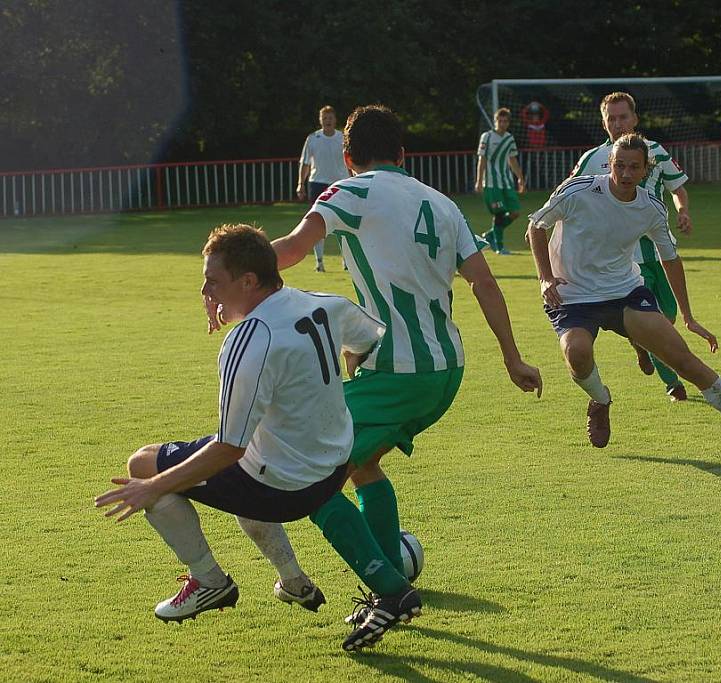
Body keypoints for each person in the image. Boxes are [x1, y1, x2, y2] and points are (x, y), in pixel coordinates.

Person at [207, 105, 542, 637]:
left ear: (346, 156)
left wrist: (227, 282)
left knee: (309, 479)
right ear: (404, 154)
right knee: (360, 466)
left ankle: (390, 588)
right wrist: (512, 356)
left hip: (397, 370)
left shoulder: (350, 191)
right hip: (445, 368)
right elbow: (484, 282)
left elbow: (291, 249)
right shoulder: (442, 203)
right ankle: (388, 571)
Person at [96, 224, 421, 652]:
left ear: (248, 281)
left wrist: (152, 487)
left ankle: (210, 582)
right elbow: (367, 337)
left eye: (213, 280)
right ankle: (305, 581)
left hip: (280, 487)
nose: (205, 289)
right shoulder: (320, 303)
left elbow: (230, 447)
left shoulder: (249, 340)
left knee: (144, 464)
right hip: (335, 464)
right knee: (246, 457)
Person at [527, 133, 721, 452]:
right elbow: (536, 228)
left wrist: (688, 317)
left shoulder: (650, 208)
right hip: (573, 296)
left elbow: (670, 258)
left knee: (685, 361)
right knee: (576, 353)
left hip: (624, 293)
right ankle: (601, 399)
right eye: (619, 165)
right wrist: (545, 278)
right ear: (609, 163)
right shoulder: (578, 190)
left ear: (645, 171)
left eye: (633, 167)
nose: (624, 174)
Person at [570, 91, 692, 402]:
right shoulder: (593, 159)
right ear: (603, 122)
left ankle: (641, 345)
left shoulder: (656, 152)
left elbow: (677, 187)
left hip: (659, 251)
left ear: (635, 119)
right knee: (656, 321)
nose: (618, 123)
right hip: (622, 259)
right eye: (611, 118)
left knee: (669, 316)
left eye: (623, 117)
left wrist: (682, 210)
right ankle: (673, 384)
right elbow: (567, 193)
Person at [296, 105, 350, 271]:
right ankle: (319, 262)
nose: (328, 121)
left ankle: (347, 261)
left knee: (343, 222)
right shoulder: (313, 138)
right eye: (324, 118)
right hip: (317, 183)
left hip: (340, 183)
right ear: (320, 120)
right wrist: (300, 183)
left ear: (335, 120)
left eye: (330, 118)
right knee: (317, 223)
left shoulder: (343, 138)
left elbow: (351, 160)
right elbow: (305, 163)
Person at [474, 107, 526, 255]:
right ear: (495, 121)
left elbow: (512, 159)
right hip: (491, 183)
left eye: (505, 121)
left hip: (506, 182)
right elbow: (482, 159)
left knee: (515, 212)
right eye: (499, 121)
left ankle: (491, 234)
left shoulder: (509, 138)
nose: (502, 123)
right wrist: (479, 181)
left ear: (508, 123)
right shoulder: (487, 137)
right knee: (499, 213)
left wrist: (520, 178)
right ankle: (499, 246)